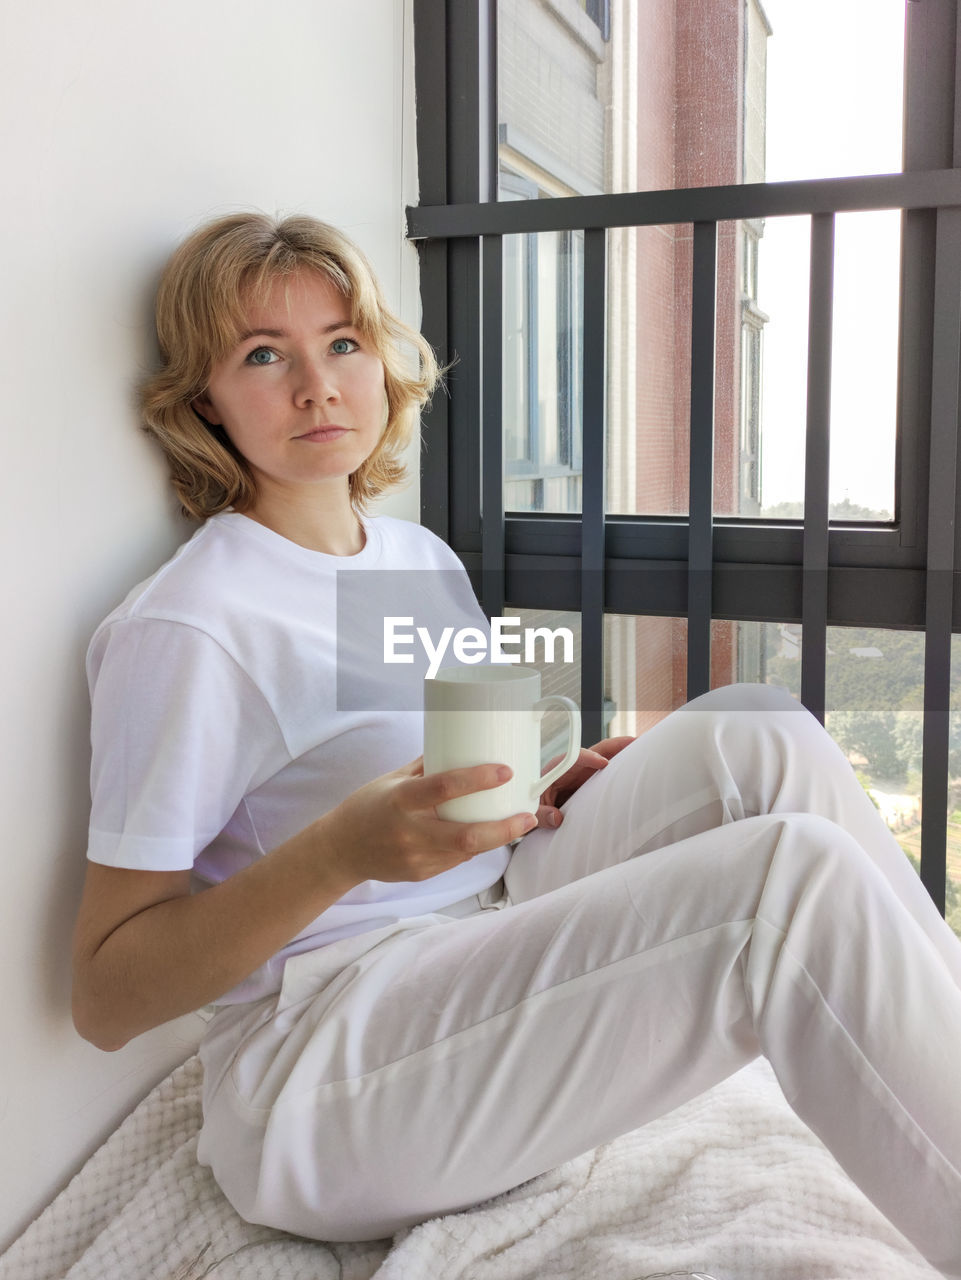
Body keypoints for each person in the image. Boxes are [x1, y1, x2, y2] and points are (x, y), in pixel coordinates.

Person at [72, 211, 961, 1276]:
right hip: (324, 1052)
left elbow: (444, 778)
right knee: (784, 881)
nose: (318, 386)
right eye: (265, 355)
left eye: (342, 342)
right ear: (202, 400)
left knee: (756, 728)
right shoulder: (191, 624)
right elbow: (105, 994)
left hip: (484, 910)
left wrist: (552, 779)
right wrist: (336, 853)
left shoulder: (410, 556)